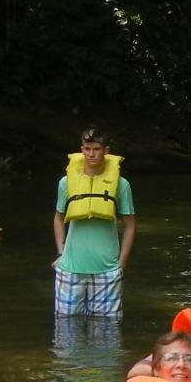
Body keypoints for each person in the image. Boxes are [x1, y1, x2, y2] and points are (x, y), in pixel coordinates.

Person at [53, 128, 135, 317]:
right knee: (66, 331)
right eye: (88, 149)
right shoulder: (65, 183)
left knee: (106, 334)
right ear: (82, 150)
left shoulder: (121, 185)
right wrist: (61, 251)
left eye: (96, 149)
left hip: (107, 269)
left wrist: (121, 263)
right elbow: (58, 218)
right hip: (70, 268)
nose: (92, 154)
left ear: (106, 151)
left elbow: (130, 225)